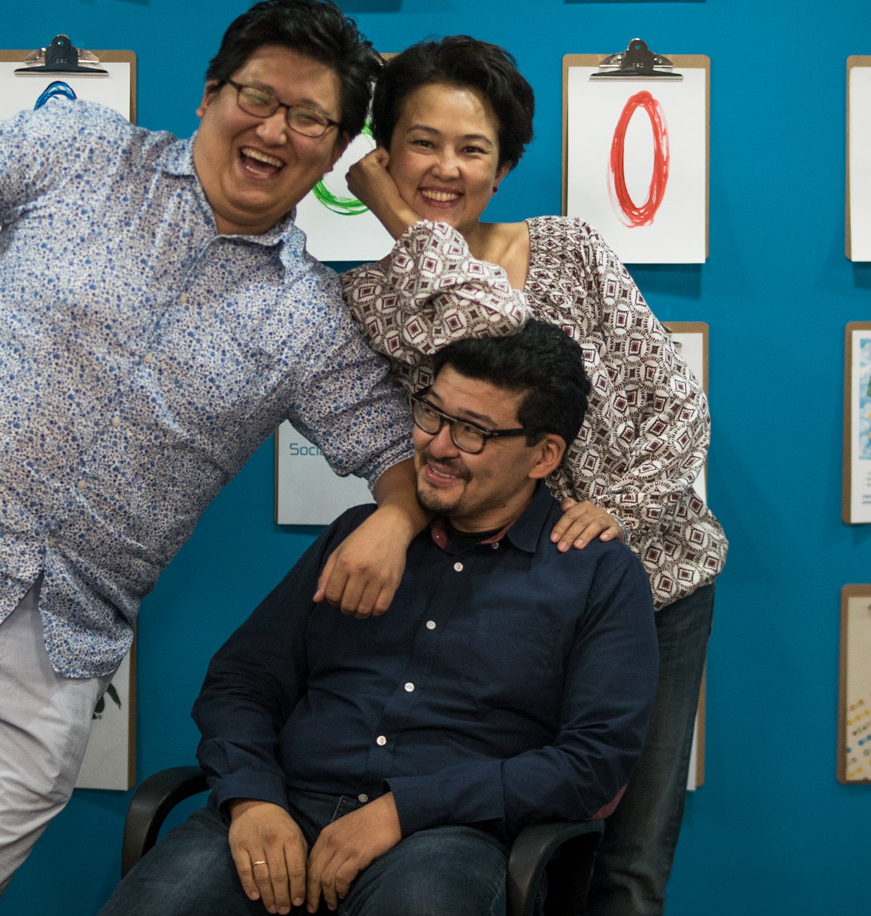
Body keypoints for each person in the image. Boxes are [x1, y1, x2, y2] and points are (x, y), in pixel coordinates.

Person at [0, 0, 434, 916]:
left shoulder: (309, 315)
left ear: (338, 148)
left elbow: (394, 453)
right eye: (257, 97)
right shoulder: (83, 150)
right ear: (210, 94)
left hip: (65, 635)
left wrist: (397, 518)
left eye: (310, 118)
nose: (274, 131)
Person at [341, 36, 725, 915]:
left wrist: (617, 508)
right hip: (520, 601)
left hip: (659, 581)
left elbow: (675, 402)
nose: (445, 167)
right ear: (383, 152)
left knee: (629, 864)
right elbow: (495, 336)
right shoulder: (372, 299)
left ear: (504, 165)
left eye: (472, 148)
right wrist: (411, 235)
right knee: (523, 852)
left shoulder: (567, 248)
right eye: (421, 142)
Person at [101, 321, 659, 916]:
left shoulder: (596, 574)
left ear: (543, 455)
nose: (438, 446)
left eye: (473, 432)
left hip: (446, 837)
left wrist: (404, 809)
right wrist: (251, 798)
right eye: (432, 414)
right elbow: (243, 680)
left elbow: (593, 762)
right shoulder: (359, 536)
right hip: (285, 807)